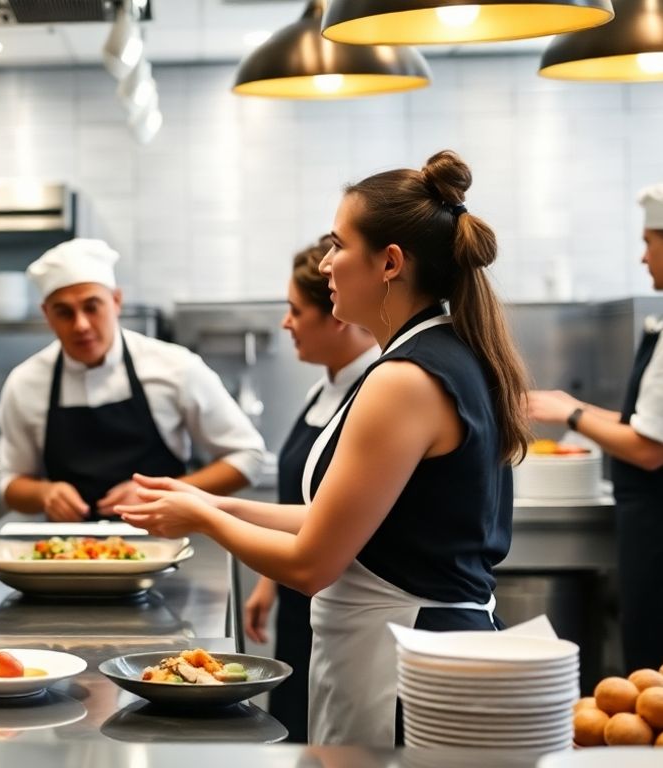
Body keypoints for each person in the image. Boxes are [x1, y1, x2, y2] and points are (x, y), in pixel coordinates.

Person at [118, 150, 531, 747]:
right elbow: (337, 523)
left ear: (390, 262)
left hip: (402, 664)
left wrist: (203, 517)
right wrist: (203, 500)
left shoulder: (404, 380)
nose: (329, 262)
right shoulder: (437, 355)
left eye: (339, 244)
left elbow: (312, 564)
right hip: (412, 651)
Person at [0, 238, 267, 521]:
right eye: (64, 312)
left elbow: (248, 457)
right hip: (68, 550)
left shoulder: (175, 367)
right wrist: (43, 493)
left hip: (164, 545)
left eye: (92, 306)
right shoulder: (25, 383)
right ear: (47, 316)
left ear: (116, 302)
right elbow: (10, 483)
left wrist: (166, 495)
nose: (81, 325)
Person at [243, 236, 377, 743]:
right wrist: (267, 581)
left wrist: (209, 513)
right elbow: (300, 503)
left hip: (342, 591)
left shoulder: (378, 391)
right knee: (297, 729)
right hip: (302, 592)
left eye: (295, 311)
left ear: (337, 315)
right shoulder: (324, 387)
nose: (286, 323)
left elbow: (335, 521)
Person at [527, 183, 663, 673]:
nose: (643, 256)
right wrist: (570, 404)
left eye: (649, 242)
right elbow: (644, 424)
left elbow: (648, 449)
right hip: (644, 523)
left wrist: (572, 416)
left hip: (656, 525)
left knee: (652, 663)